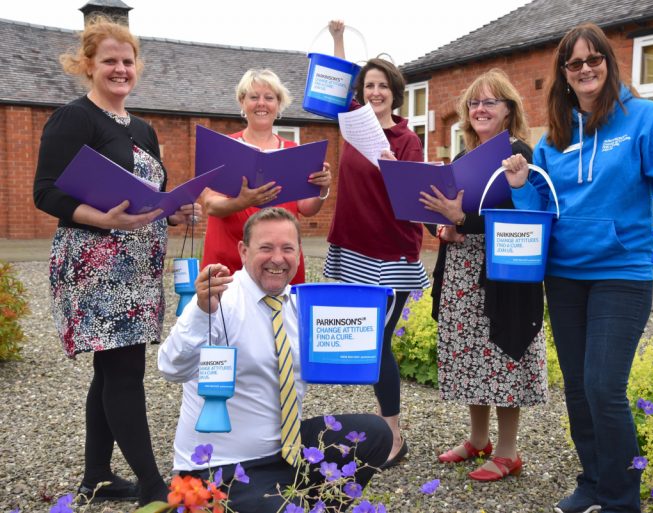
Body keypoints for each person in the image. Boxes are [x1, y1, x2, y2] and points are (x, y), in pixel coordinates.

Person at [503, 23, 653, 513]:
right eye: (575, 63)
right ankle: (592, 482)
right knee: (576, 386)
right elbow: (539, 215)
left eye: (595, 60)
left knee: (603, 386)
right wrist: (522, 185)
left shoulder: (645, 119)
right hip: (564, 274)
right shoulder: (554, 136)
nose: (586, 69)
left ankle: (621, 498)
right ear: (565, 75)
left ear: (609, 64)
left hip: (622, 272)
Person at [32, 17, 201, 505]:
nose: (120, 69)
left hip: (138, 265)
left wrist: (174, 210)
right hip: (95, 264)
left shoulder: (144, 129)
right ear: (88, 65)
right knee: (125, 372)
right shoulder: (75, 118)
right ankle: (153, 485)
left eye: (127, 61)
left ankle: (97, 476)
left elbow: (148, 198)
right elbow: (45, 192)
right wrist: (104, 219)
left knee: (110, 372)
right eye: (110, 60)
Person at [159, 207, 391, 512]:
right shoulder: (220, 298)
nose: (277, 259)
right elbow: (171, 367)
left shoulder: (301, 305)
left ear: (299, 253)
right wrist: (202, 312)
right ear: (243, 251)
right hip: (222, 465)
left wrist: (365, 328)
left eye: (287, 249)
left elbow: (346, 348)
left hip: (286, 452)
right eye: (265, 248)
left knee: (377, 434)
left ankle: (312, 505)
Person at [418, 69, 547, 481]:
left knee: (504, 354)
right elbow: (450, 213)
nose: (480, 109)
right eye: (474, 103)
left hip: (503, 276)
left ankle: (508, 450)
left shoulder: (519, 154)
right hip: (461, 271)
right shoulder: (461, 157)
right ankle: (477, 439)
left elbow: (525, 219)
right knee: (472, 356)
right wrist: (443, 225)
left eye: (490, 101)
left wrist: (464, 219)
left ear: (509, 110)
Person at [325, 20, 429, 468]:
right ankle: (381, 422)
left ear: (395, 91)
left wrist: (394, 170)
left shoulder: (407, 140)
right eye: (369, 85)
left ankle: (393, 433)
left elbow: (412, 201)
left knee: (378, 341)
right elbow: (339, 78)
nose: (374, 92)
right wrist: (337, 40)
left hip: (391, 251)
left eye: (382, 85)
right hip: (352, 245)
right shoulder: (351, 125)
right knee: (364, 339)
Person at [200, 68, 331, 283]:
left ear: (278, 104)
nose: (262, 103)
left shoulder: (294, 151)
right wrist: (243, 202)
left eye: (269, 98)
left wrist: (322, 189)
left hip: (279, 262)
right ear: (242, 102)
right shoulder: (223, 147)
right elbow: (211, 205)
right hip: (229, 260)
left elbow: (306, 209)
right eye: (254, 97)